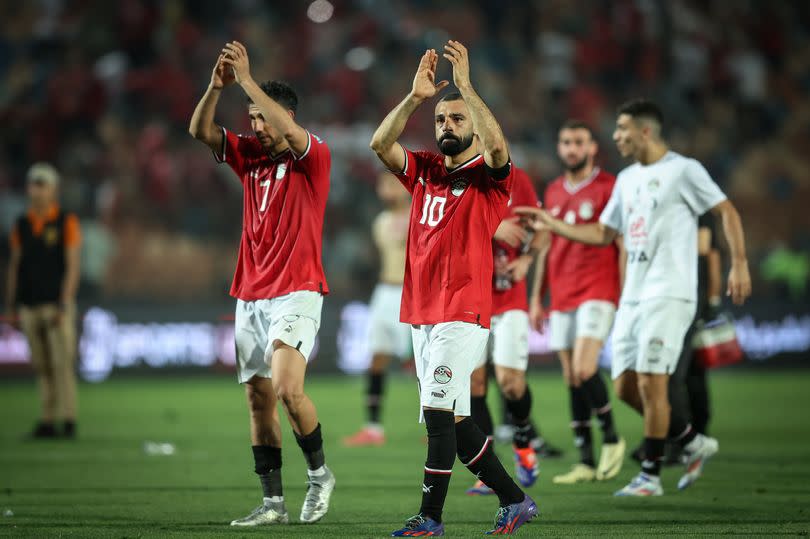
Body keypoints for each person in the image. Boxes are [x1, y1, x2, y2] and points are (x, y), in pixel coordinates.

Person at [517, 99, 751, 497]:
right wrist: (552, 223)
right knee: (625, 387)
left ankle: (650, 475)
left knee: (651, 383)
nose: (615, 136)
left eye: (622, 129)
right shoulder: (626, 180)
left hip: (670, 292)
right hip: (634, 296)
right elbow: (602, 234)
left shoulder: (683, 170)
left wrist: (739, 263)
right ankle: (691, 440)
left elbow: (726, 211)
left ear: (644, 131)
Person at [370, 43, 537, 536]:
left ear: (474, 126)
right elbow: (381, 144)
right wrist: (415, 97)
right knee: (459, 425)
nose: (447, 126)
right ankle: (514, 500)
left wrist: (466, 88)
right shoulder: (423, 170)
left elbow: (501, 148)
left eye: (457, 119)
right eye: (442, 119)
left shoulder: (489, 178)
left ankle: (430, 519)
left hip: (462, 312)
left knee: (438, 416)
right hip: (422, 313)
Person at [188, 42, 334, 526]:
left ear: (285, 115)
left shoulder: (313, 158)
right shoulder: (248, 156)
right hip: (250, 292)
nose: (255, 126)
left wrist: (249, 79)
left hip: (297, 288)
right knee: (258, 398)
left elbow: (292, 132)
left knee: (289, 390)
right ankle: (273, 503)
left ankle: (319, 476)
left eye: (262, 117)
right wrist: (216, 87)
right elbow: (199, 130)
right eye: (250, 117)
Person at [529, 120, 626, 485]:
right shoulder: (553, 190)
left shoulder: (608, 187)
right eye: (565, 142)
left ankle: (613, 438)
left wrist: (626, 291)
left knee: (586, 369)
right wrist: (537, 299)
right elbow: (545, 246)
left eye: (578, 142)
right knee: (572, 377)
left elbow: (615, 241)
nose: (571, 148)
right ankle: (585, 460)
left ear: (592, 148)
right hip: (562, 293)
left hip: (597, 289)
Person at [465, 164, 559, 497]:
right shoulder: (458, 176)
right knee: (474, 383)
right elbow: (449, 227)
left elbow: (542, 228)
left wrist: (527, 259)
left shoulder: (519, 179)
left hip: (509, 298)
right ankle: (487, 469)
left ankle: (523, 439)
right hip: (471, 297)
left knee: (510, 382)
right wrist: (493, 226)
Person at [5, 163, 81, 439]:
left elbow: (72, 265)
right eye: (34, 184)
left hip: (55, 305)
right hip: (29, 305)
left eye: (42, 185)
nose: (37, 190)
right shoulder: (22, 225)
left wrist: (64, 302)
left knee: (62, 364)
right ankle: (48, 419)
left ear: (53, 190)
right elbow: (15, 266)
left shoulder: (65, 221)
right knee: (41, 366)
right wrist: (12, 304)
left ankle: (69, 419)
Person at [344, 172, 412, 446]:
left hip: (410, 293)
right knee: (376, 359)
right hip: (384, 292)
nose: (387, 189)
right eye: (383, 184)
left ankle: (440, 428)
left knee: (420, 364)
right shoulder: (380, 222)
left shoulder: (418, 216)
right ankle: (373, 428)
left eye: (392, 183)